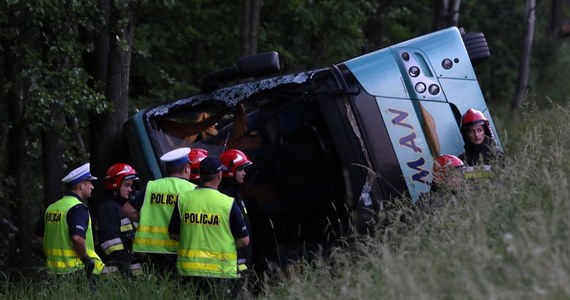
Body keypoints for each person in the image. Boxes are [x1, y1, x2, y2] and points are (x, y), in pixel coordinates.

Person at [169, 157, 250, 298]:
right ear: (219, 175)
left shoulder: (183, 199)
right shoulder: (228, 203)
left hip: (189, 270)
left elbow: (173, 234)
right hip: (221, 271)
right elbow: (244, 241)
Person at [122, 147, 197, 273]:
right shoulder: (192, 189)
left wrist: (147, 217)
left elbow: (127, 210)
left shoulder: (152, 186)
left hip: (151, 249)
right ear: (186, 168)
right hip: (178, 248)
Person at [34, 163, 104, 290]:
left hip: (54, 270)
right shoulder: (78, 208)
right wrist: (85, 258)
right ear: (82, 185)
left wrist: (51, 252)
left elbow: (38, 235)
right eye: (90, 183)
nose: (92, 187)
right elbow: (77, 238)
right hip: (76, 270)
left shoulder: (53, 207)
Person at [95, 163, 142, 278]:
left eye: (131, 186)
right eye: (127, 185)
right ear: (115, 185)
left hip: (132, 271)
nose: (130, 190)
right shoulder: (107, 208)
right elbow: (111, 244)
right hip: (115, 275)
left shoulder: (124, 207)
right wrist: (126, 270)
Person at [219, 149, 253, 274]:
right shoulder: (225, 196)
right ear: (230, 172)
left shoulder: (236, 191)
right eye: (240, 169)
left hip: (242, 257)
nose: (244, 173)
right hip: (233, 260)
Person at [458, 109, 504, 178]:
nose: (476, 135)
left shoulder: (497, 155)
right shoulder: (461, 160)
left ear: (485, 131)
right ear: (466, 135)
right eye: (471, 131)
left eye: (479, 130)